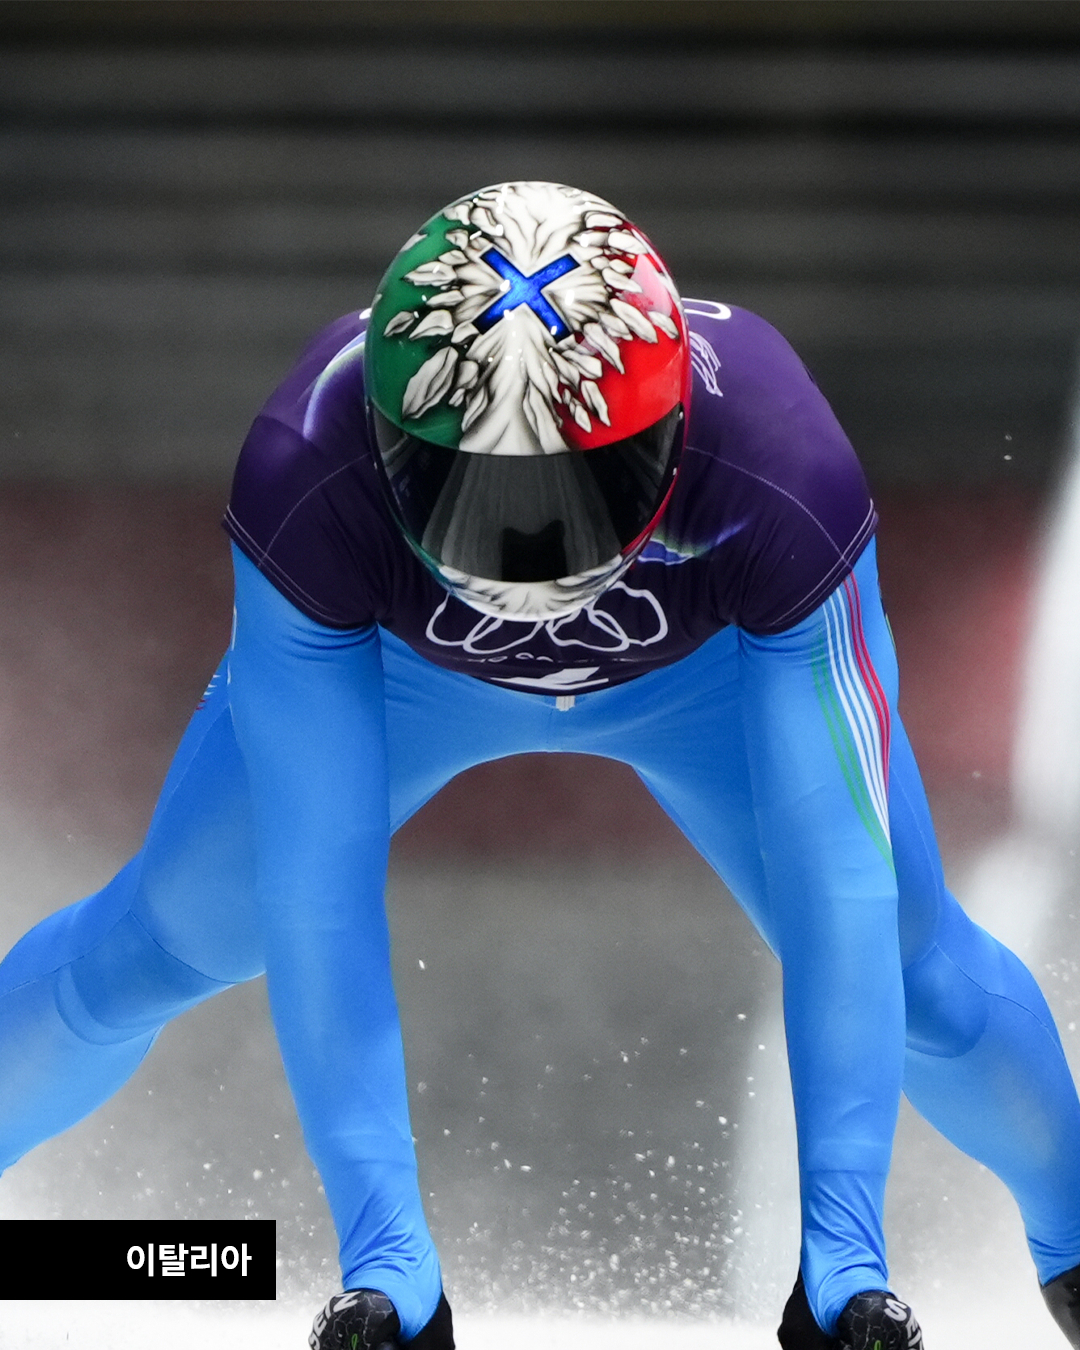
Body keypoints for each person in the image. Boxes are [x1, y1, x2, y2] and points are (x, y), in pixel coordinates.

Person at [1, 180, 1079, 1350]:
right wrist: (383, 1255)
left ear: (675, 436)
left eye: (576, 492)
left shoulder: (781, 466)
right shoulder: (305, 469)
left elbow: (842, 896)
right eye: (470, 490)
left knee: (916, 969)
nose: (526, 555)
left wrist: (846, 1257)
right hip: (446, 669)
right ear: (384, 439)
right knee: (164, 940)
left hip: (674, 673)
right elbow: (318, 899)